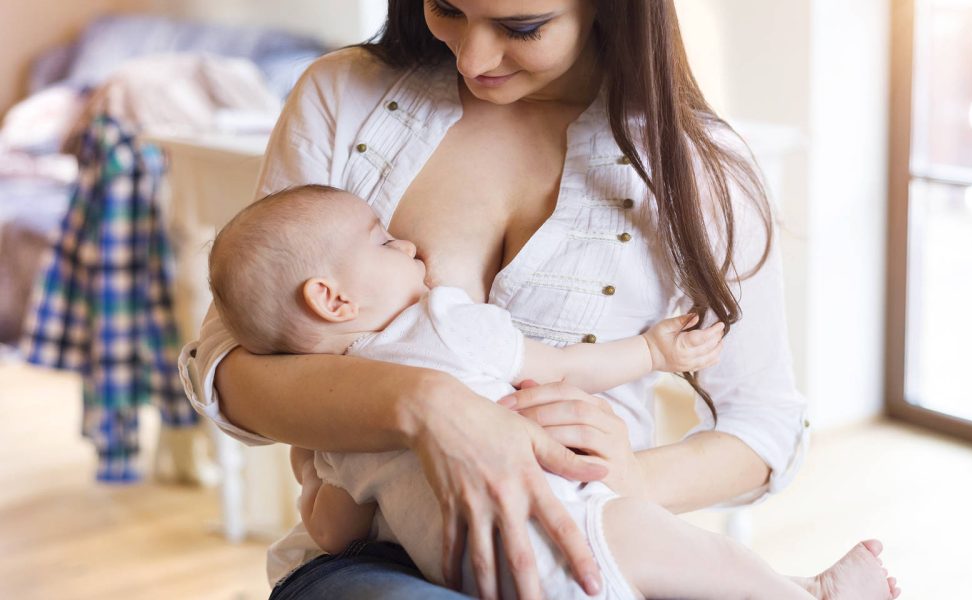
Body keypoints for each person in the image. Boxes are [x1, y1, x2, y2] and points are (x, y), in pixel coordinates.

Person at [176, 1, 895, 598]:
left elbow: (765, 425)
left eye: (522, 27)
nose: (471, 56)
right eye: (447, 9)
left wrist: (628, 477)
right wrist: (427, 408)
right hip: (385, 561)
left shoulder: (698, 167)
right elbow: (226, 370)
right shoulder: (344, 97)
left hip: (585, 528)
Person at [205, 184, 899, 599]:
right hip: (576, 528)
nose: (409, 245)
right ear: (330, 297)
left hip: (480, 575)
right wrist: (651, 352)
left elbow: (333, 531)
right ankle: (800, 594)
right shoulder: (442, 326)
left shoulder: (325, 424)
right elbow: (560, 367)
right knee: (700, 561)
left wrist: (310, 474)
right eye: (384, 241)